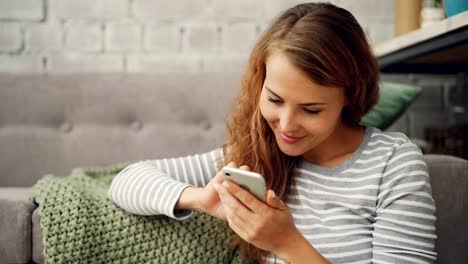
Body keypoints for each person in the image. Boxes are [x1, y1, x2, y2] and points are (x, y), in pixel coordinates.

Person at [108, 2, 437, 264]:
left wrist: (287, 243)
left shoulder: (394, 165)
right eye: (275, 99)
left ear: (350, 96)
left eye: (311, 109)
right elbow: (126, 180)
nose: (286, 124)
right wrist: (200, 199)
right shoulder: (256, 153)